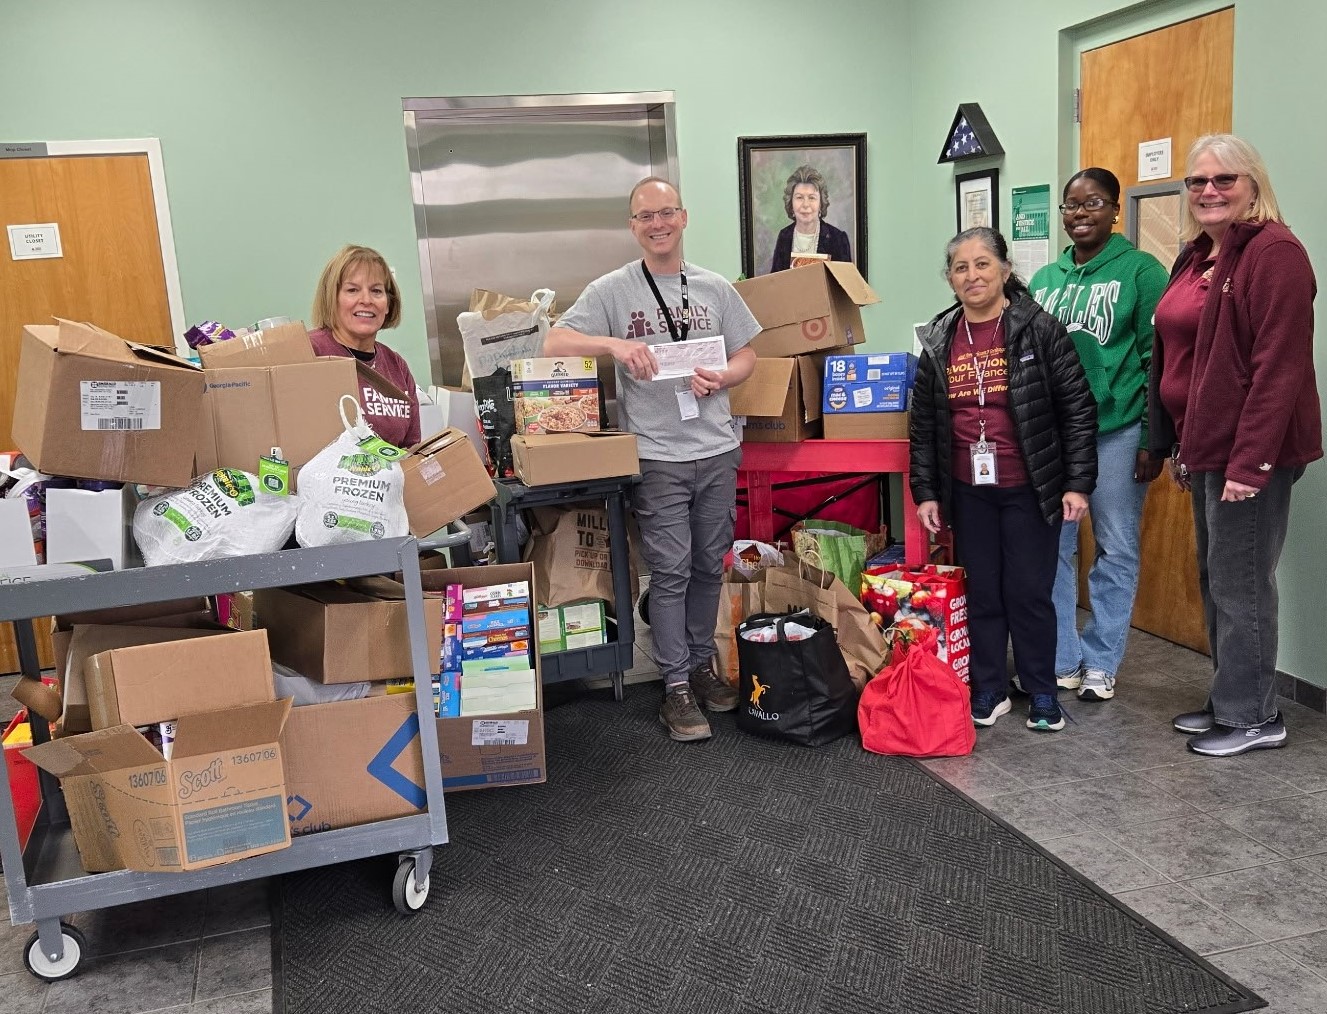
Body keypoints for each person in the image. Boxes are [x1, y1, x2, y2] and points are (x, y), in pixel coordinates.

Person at [544, 178, 760, 742]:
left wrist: (725, 377)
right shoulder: (613, 290)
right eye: (646, 216)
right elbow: (554, 343)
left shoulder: (714, 288)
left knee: (708, 565)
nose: (657, 224)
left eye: (666, 213)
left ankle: (699, 666)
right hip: (659, 455)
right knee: (670, 570)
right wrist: (613, 345)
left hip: (717, 448)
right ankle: (676, 686)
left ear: (683, 218)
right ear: (633, 226)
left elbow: (747, 354)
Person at [1149, 134, 1322, 757]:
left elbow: (1279, 368)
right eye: (1197, 181)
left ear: (1254, 185)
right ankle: (1232, 697)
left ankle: (1253, 717)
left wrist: (1251, 463)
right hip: (1207, 447)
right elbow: (1179, 357)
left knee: (1242, 582)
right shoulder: (1198, 254)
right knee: (1216, 578)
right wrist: (1179, 444)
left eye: (1224, 179)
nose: (1209, 191)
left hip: (1248, 454)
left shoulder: (1275, 253)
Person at [910, 227, 1097, 732]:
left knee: (1029, 592)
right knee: (984, 593)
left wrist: (1077, 483)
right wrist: (926, 492)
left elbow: (1077, 409)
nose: (972, 275)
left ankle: (1041, 691)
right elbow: (923, 424)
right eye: (960, 267)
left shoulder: (1039, 328)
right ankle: (989, 688)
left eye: (982, 264)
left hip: (1029, 486)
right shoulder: (938, 338)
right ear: (950, 279)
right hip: (967, 490)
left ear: (1005, 271)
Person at [1030, 168, 1169, 703]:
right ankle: (1063, 659)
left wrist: (1151, 439)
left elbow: (1158, 361)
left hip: (1118, 429)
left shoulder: (1142, 271)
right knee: (1053, 549)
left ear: (1114, 210)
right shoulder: (1046, 279)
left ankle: (1102, 661)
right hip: (1056, 438)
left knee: (1115, 546)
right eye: (1071, 204)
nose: (1080, 213)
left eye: (1093, 203)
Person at [309, 244, 421, 449]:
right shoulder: (309, 352)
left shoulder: (397, 366)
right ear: (332, 298)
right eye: (352, 290)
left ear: (388, 304)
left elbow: (412, 450)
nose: (366, 300)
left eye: (376, 291)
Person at [769, 165, 853, 273]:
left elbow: (844, 282)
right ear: (791, 203)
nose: (805, 204)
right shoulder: (784, 236)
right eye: (799, 197)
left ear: (821, 203)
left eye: (812, 198)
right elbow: (775, 280)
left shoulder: (838, 239)